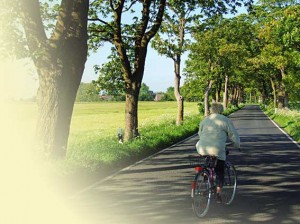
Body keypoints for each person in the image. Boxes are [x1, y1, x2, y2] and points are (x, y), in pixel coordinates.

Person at [196, 103, 240, 203]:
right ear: (221, 110)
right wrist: (237, 145)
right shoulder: (225, 120)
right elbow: (233, 135)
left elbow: (200, 134)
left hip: (202, 147)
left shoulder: (205, 120)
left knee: (207, 163)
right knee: (219, 170)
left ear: (211, 110)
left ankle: (205, 177)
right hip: (217, 149)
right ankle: (217, 194)